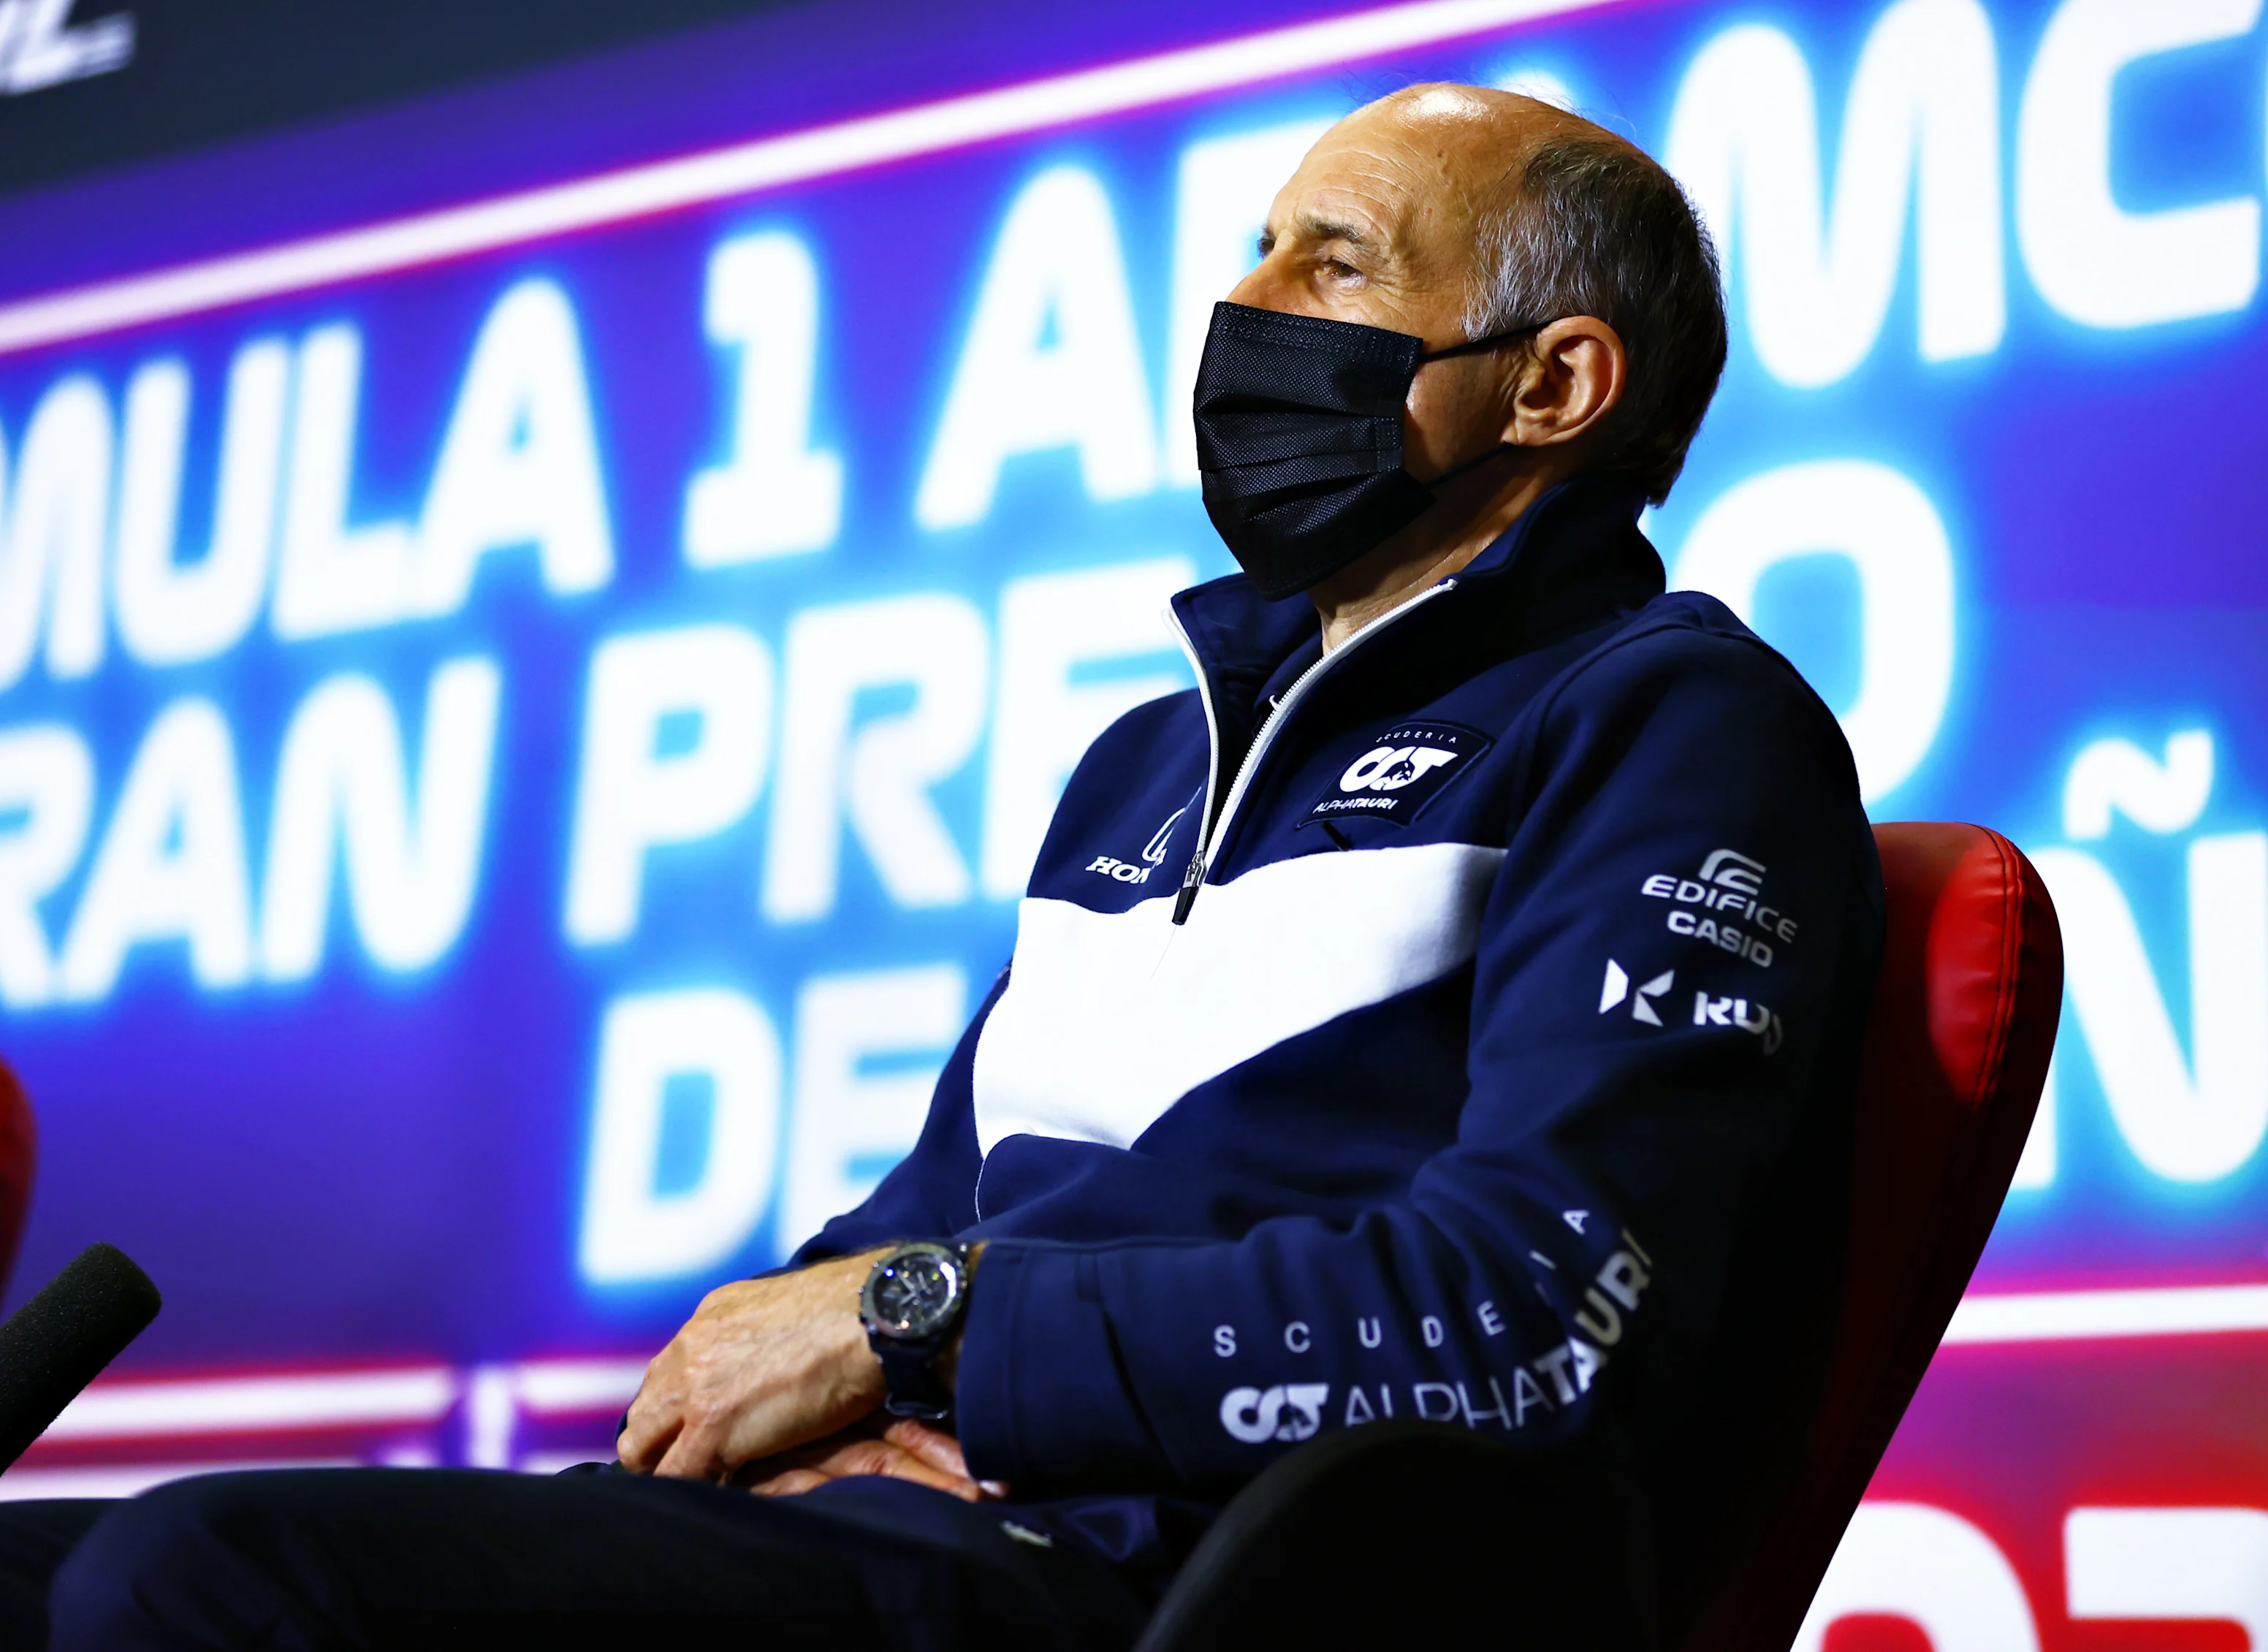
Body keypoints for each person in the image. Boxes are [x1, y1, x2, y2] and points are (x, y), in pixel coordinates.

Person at [0, 83, 1881, 1648]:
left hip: (1170, 1586)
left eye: (1337, 261)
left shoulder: (1671, 723)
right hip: (913, 1533)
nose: (1250, 307)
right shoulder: (1147, 766)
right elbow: (904, 1241)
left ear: (1554, 384)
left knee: (209, 1580)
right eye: (1255, 246)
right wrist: (788, 1397)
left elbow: (1527, 1320)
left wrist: (931, 1335)